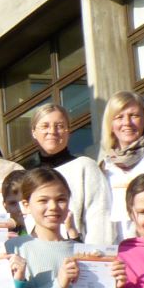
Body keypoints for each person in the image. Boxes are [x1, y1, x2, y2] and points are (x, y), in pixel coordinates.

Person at [26, 103, 113, 245]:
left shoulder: (85, 167)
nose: (52, 131)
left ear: (68, 131)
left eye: (59, 126)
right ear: (34, 132)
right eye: (45, 126)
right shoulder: (27, 175)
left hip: (80, 256)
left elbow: (100, 216)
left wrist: (95, 258)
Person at [100, 90, 144, 239]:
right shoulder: (104, 166)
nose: (127, 123)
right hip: (118, 247)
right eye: (119, 117)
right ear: (110, 124)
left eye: (134, 116)